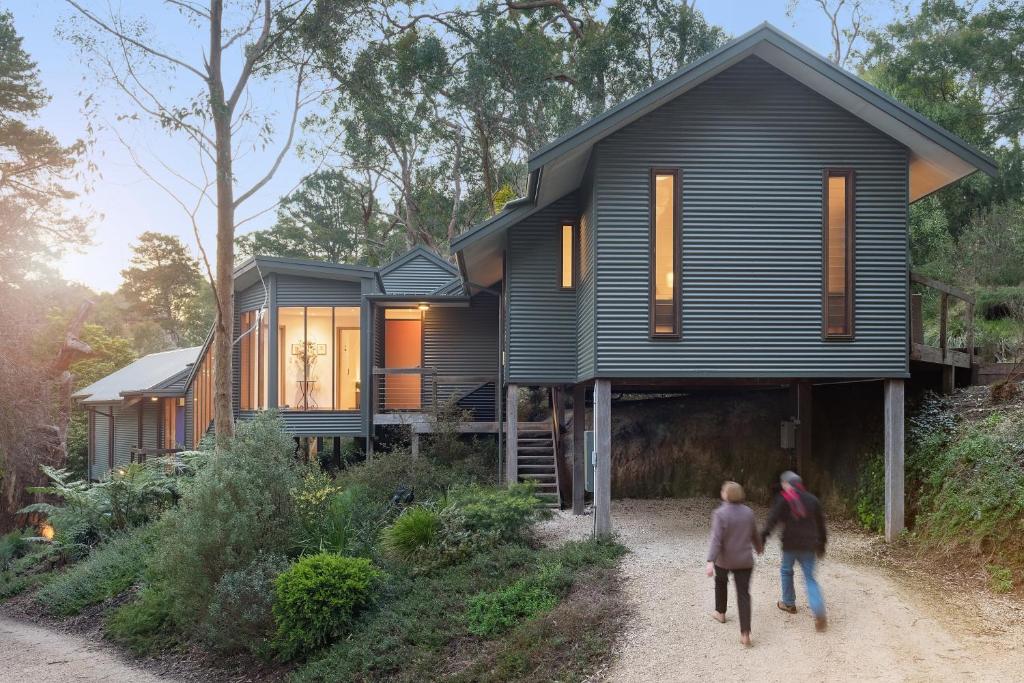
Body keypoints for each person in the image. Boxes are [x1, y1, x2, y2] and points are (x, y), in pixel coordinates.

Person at [761, 470, 828, 631]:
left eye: (784, 484)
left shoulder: (783, 500)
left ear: (787, 484)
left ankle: (789, 603)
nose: (783, 487)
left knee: (786, 571)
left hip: (790, 545)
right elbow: (821, 525)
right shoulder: (813, 500)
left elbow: (772, 520)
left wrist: (762, 538)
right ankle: (819, 613)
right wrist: (822, 544)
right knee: (810, 578)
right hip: (809, 545)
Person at [706, 481, 763, 647]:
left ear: (727, 494)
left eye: (723, 490)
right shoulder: (748, 513)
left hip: (724, 560)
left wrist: (710, 560)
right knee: (743, 595)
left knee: (721, 582)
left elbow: (716, 540)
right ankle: (745, 634)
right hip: (745, 560)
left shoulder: (720, 513)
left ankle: (720, 612)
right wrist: (759, 548)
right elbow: (754, 534)